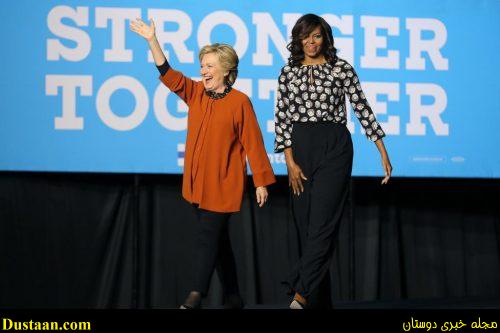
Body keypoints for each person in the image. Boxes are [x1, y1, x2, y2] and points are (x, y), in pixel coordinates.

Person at [131, 18, 276, 309]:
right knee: (219, 243)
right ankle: (234, 296)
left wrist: (261, 180)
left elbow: (254, 143)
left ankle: (197, 293)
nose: (204, 71)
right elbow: (168, 74)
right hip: (197, 185)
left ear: (226, 70)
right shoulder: (196, 93)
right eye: (202, 65)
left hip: (223, 185)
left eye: (210, 66)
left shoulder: (240, 102)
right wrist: (152, 40)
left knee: (207, 238)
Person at [274, 14, 393, 309]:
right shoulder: (288, 72)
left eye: (316, 36)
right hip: (300, 149)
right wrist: (289, 161)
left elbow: (361, 107)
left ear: (325, 37)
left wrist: (382, 151)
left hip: (335, 147)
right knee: (305, 227)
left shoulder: (342, 69)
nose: (311, 42)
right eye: (305, 37)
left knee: (323, 225)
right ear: (297, 40)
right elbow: (282, 117)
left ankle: (300, 294)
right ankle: (318, 301)